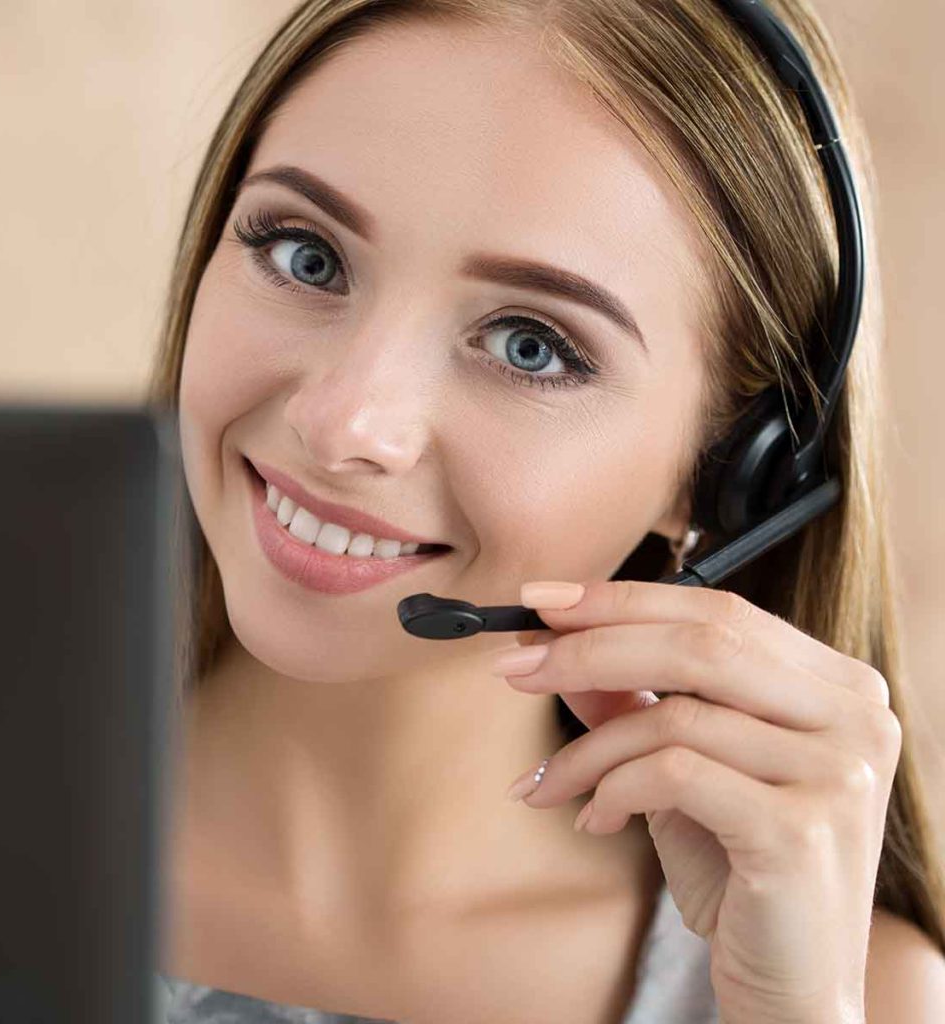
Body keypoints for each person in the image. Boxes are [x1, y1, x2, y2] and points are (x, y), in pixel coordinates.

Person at [147, 1, 945, 1021]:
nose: (345, 421)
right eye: (307, 253)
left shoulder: (854, 990)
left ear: (728, 472)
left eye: (530, 343)